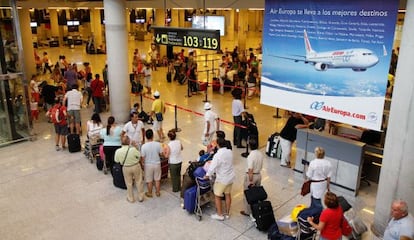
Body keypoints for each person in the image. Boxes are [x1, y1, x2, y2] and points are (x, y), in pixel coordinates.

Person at [205, 138, 235, 221]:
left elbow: (212, 167)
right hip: (230, 177)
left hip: (222, 179)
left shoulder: (217, 155)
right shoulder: (229, 152)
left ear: (218, 145)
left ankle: (219, 214)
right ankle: (227, 213)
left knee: (217, 195)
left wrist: (207, 175)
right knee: (228, 194)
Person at [114, 135, 144, 203]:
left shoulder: (118, 151)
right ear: (129, 142)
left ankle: (131, 198)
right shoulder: (133, 149)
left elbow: (116, 161)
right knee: (139, 181)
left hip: (126, 167)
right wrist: (135, 147)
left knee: (128, 183)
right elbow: (139, 156)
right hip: (136, 166)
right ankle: (140, 196)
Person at [240, 137, 264, 217]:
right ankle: (255, 208)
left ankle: (247, 211)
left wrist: (250, 181)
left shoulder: (251, 156)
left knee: (248, 194)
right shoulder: (260, 154)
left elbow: (250, 169)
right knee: (256, 193)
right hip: (258, 175)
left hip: (251, 176)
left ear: (250, 146)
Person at [141, 129, 164, 198]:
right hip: (157, 163)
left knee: (149, 180)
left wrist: (142, 164)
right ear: (153, 136)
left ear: (145, 136)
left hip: (148, 165)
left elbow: (142, 158)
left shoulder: (144, 146)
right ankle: (157, 192)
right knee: (157, 179)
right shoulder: (158, 144)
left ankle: (150, 193)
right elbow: (161, 154)